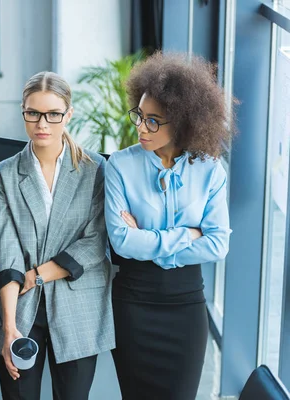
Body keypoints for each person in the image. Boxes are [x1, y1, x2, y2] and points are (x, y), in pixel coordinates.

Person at [105, 52, 234, 399]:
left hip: (185, 308)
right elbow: (121, 242)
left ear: (180, 122)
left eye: (153, 121)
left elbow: (218, 245)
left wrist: (149, 242)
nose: (140, 128)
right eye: (140, 116)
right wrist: (186, 236)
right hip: (133, 307)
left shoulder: (209, 170)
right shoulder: (119, 165)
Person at [0, 71, 115, 400]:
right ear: (23, 112)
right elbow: (7, 249)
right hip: (19, 305)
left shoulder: (95, 169)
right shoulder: (3, 174)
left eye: (53, 114)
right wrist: (8, 325)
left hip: (79, 304)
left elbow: (95, 242)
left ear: (68, 114)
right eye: (33, 113)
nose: (42, 124)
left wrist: (38, 274)